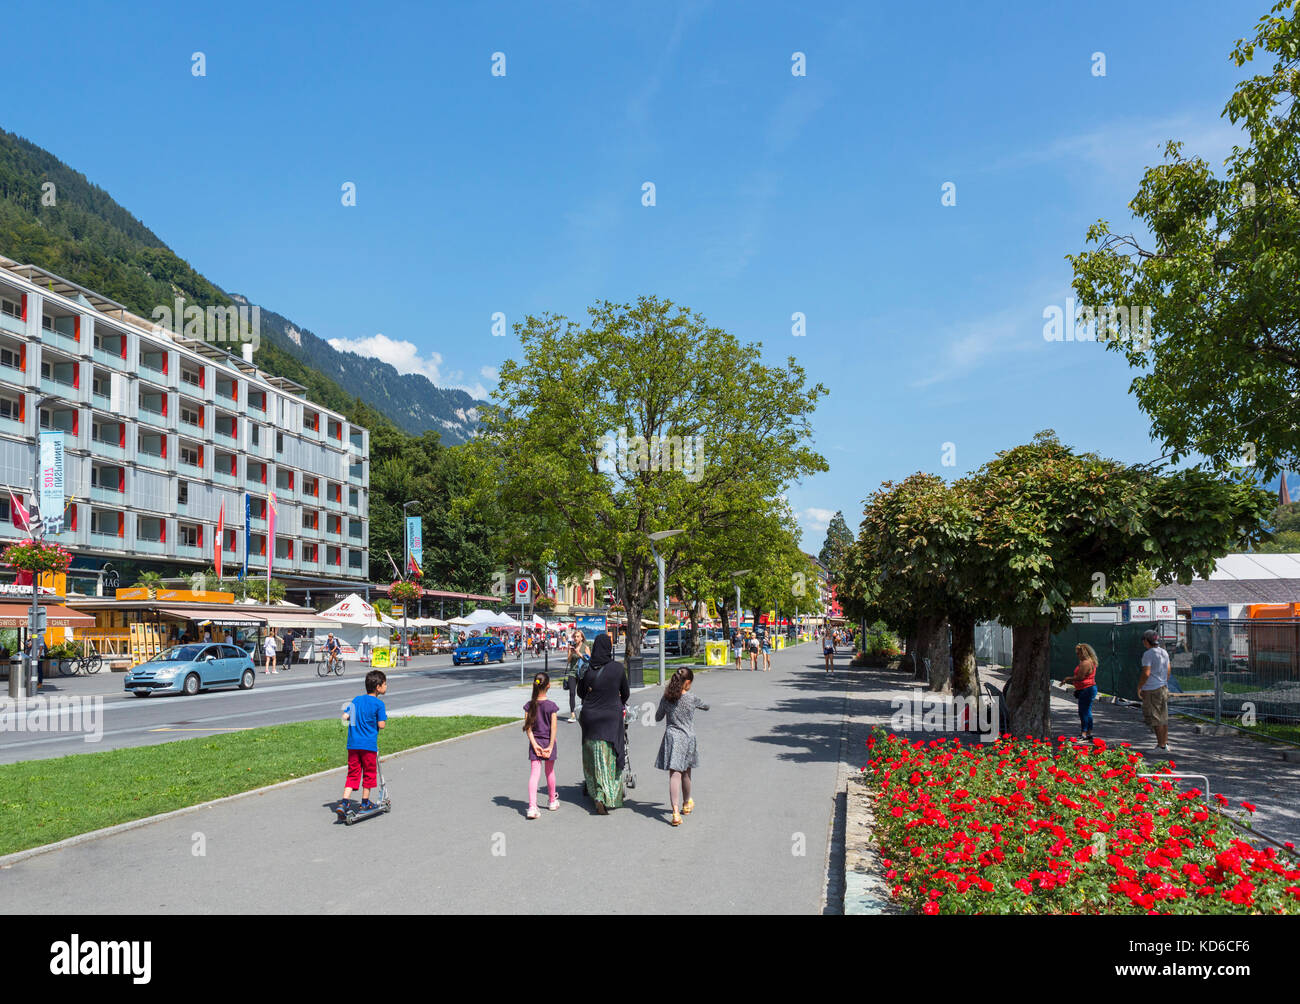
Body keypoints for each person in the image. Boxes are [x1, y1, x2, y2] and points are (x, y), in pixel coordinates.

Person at [577, 633, 630, 814]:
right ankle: (606, 794)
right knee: (610, 756)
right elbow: (626, 692)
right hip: (611, 718)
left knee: (592, 757)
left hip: (590, 718)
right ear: (609, 648)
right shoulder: (617, 668)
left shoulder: (587, 668)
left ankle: (595, 791)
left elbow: (580, 693)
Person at [655, 667, 710, 826]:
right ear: (687, 683)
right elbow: (706, 706)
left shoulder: (667, 698)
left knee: (674, 774)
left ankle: (675, 811)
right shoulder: (691, 698)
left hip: (672, 737)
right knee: (686, 772)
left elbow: (658, 717)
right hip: (687, 738)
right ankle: (686, 804)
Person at [335, 670, 388, 818]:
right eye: (384, 684)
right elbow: (382, 725)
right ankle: (365, 803)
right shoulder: (379, 704)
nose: (386, 686)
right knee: (369, 773)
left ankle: (344, 802)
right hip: (368, 745)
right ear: (378, 687)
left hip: (353, 744)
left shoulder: (357, 700)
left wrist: (355, 722)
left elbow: (344, 716)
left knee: (353, 772)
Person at [523, 672, 560, 819]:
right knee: (549, 772)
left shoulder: (529, 706)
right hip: (548, 742)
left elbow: (528, 728)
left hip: (535, 744)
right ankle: (552, 800)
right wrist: (550, 746)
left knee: (534, 774)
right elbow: (554, 728)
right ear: (549, 685)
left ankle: (532, 806)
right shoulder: (551, 707)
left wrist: (534, 744)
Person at [1139, 630, 1171, 753]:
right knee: (1163, 716)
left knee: (1155, 717)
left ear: (1147, 641)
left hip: (1152, 688)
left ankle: (1160, 746)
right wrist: (1163, 681)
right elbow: (1168, 670)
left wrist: (1140, 687)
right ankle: (1165, 743)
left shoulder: (1148, 654)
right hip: (1162, 687)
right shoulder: (1164, 652)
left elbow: (1146, 672)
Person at [1067, 642, 1099, 740]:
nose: (1077, 655)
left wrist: (1068, 679)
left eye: (1078, 653)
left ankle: (1084, 733)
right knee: (1087, 711)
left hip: (1086, 689)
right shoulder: (1089, 661)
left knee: (1083, 711)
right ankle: (1088, 732)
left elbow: (1080, 677)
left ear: (1083, 653)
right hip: (1087, 688)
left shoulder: (1086, 663)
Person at [565, 628, 588, 723]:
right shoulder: (571, 647)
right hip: (572, 673)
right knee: (572, 693)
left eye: (578, 636)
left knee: (583, 693)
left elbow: (588, 660)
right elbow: (568, 661)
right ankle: (572, 714)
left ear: (582, 638)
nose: (576, 638)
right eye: (575, 636)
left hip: (582, 673)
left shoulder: (585, 647)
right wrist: (571, 653)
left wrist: (579, 653)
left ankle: (583, 712)